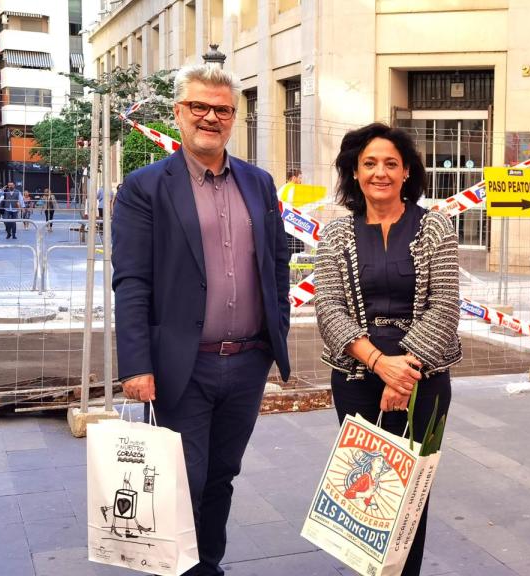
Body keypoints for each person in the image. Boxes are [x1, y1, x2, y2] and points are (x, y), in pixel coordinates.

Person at [112, 63, 290, 576]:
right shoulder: (146, 187)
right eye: (199, 107)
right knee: (182, 478)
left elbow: (276, 264)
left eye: (222, 109)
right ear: (178, 113)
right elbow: (132, 281)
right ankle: (180, 568)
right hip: (181, 366)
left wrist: (274, 332)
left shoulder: (259, 183)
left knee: (222, 475)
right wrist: (136, 365)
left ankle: (208, 563)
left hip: (248, 362)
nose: (210, 117)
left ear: (234, 117)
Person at [314, 122, 461, 576]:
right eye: (370, 163)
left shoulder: (435, 226)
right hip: (358, 382)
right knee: (365, 492)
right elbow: (327, 305)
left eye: (391, 164)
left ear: (406, 173)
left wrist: (404, 374)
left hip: (423, 384)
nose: (380, 172)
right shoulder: (337, 234)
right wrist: (379, 363)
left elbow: (445, 305)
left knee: (410, 494)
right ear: (354, 173)